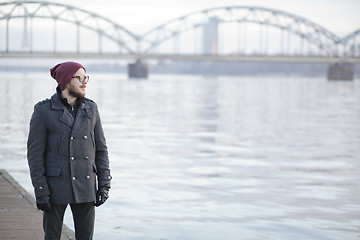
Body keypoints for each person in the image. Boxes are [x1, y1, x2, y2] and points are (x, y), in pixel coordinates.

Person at [27, 61, 112, 240]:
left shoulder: (91, 109)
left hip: (86, 184)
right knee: (52, 237)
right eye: (79, 77)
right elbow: (35, 156)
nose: (84, 82)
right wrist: (41, 190)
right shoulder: (43, 111)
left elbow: (101, 150)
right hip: (55, 187)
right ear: (66, 81)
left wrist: (104, 184)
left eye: (85, 77)